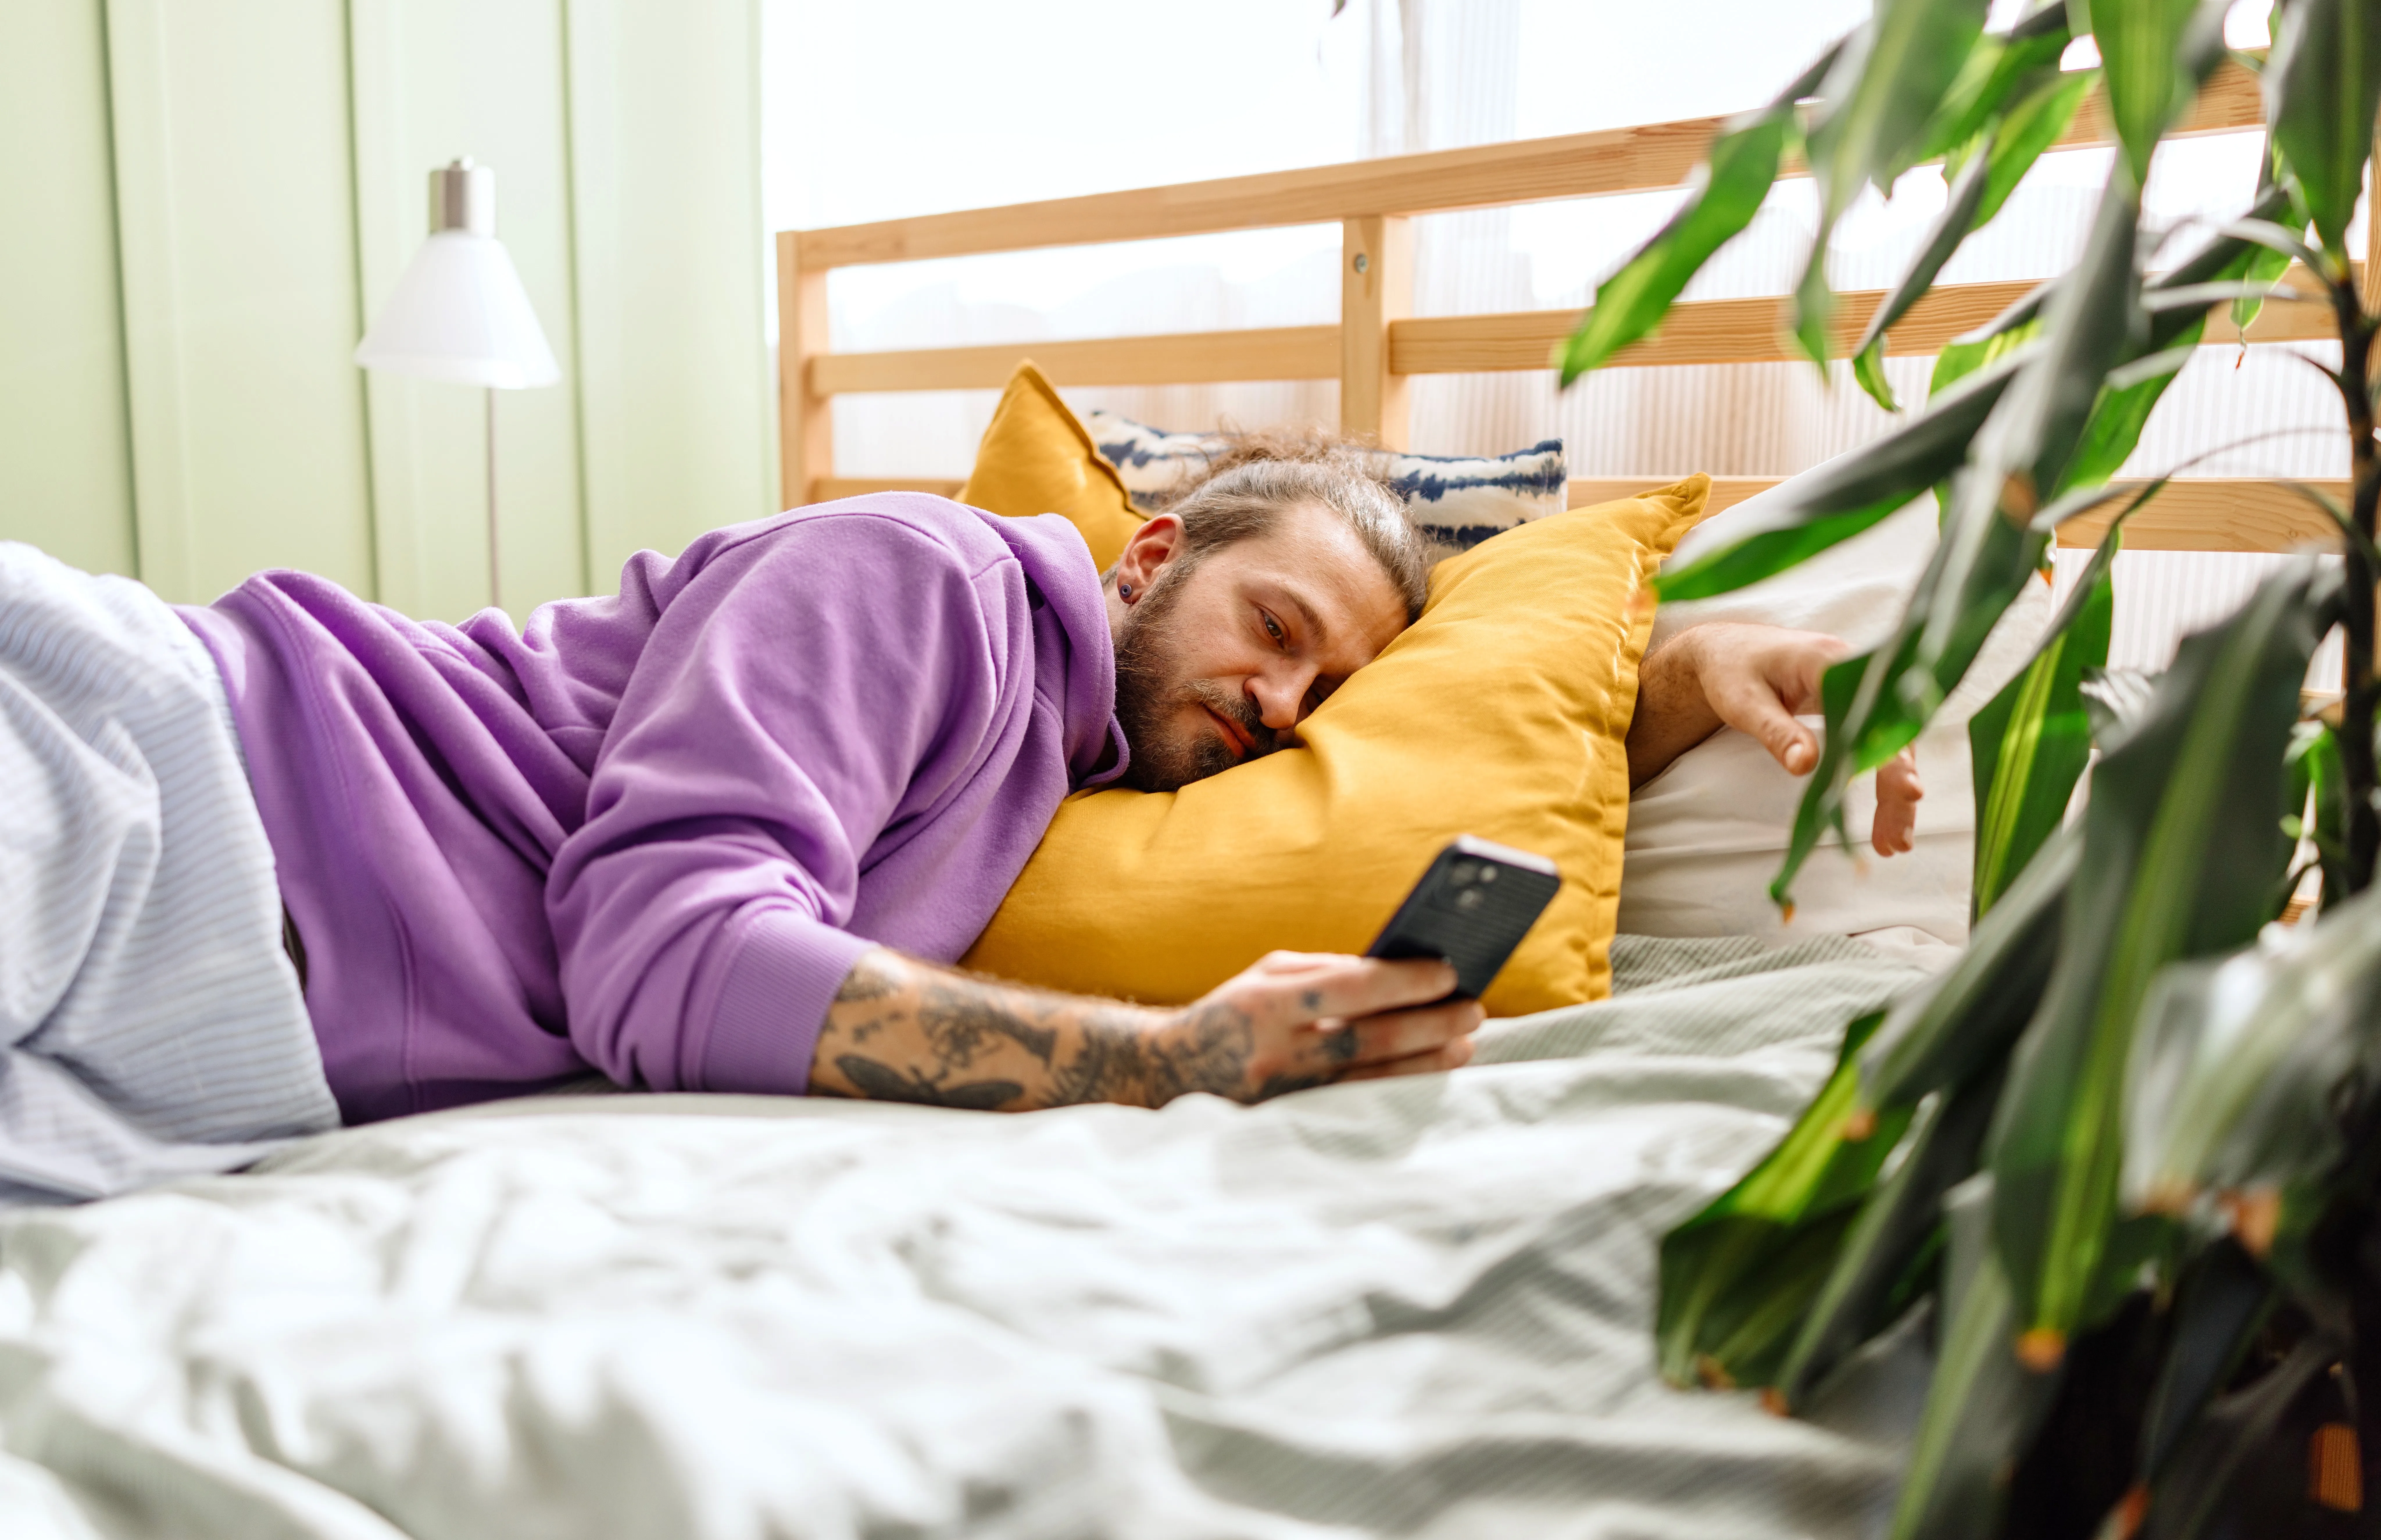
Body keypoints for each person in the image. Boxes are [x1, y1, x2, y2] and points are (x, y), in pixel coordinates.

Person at [0, 437, 1919, 1198]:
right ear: (1149, 551)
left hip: (207, 1046)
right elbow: (660, 949)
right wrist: (1169, 1061)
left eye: (1329, 699)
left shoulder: (1069, 786)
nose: (1284, 712)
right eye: (1275, 632)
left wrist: (1674, 688)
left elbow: (1482, 746)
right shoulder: (932, 578)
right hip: (166, 781)